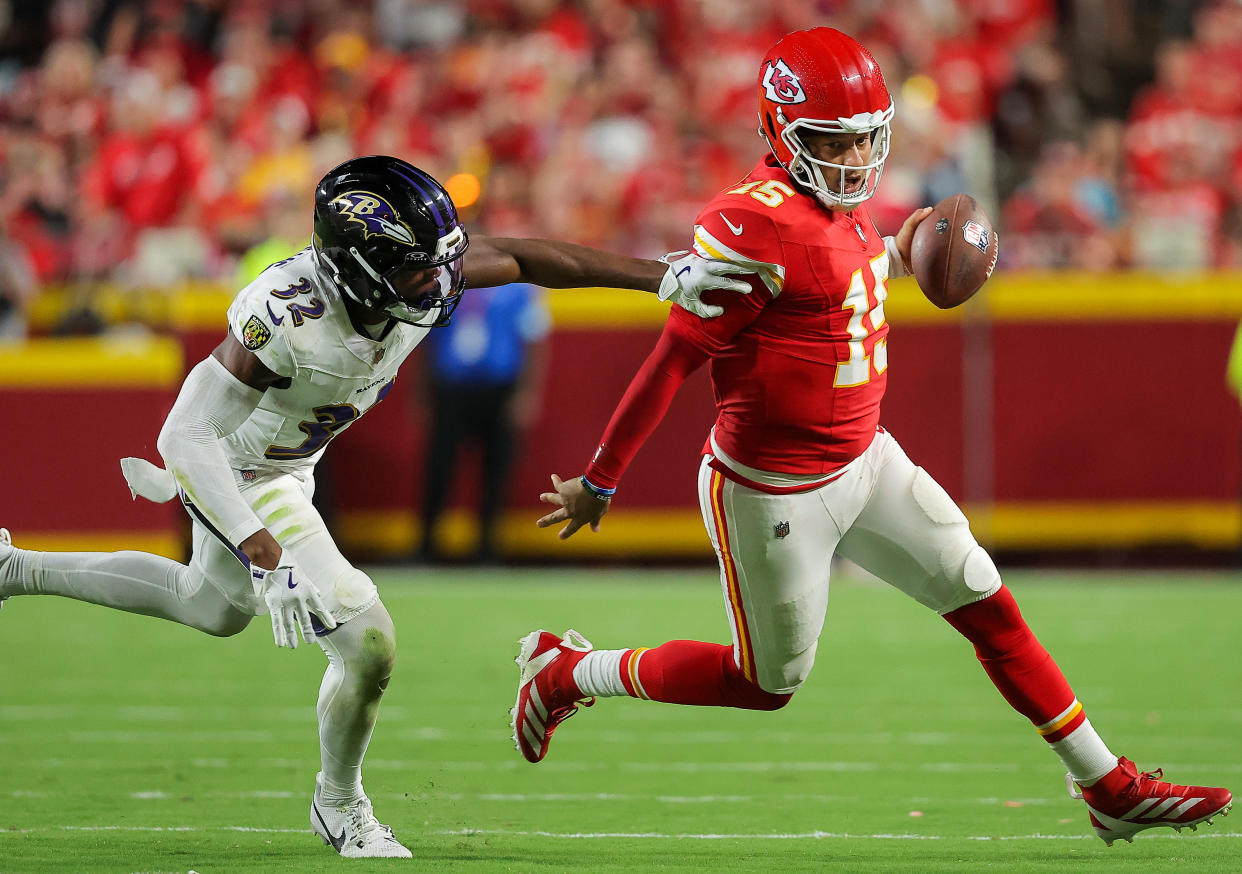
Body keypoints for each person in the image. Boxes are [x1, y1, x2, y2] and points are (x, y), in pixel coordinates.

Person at [513, 28, 1233, 847]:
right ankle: (568, 671)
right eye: (834, 139)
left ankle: (1107, 784)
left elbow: (842, 270)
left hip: (866, 458)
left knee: (986, 602)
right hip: (772, 488)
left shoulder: (841, 214)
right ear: (782, 132)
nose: (855, 155)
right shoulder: (754, 225)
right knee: (768, 683)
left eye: (865, 136)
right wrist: (601, 479)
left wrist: (911, 248)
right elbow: (671, 363)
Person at [0, 155, 750, 859]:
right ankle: (341, 803)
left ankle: (14, 568)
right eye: (420, 270)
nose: (440, 284)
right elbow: (185, 436)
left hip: (291, 469)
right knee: (367, 642)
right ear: (354, 271)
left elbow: (523, 258)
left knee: (210, 607)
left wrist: (660, 277)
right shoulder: (286, 315)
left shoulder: (418, 273)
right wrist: (260, 546)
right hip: (240, 471)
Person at [417, 280, 549, 564]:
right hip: (451, 386)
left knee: (495, 470)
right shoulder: (442, 284)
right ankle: (427, 545)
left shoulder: (518, 288)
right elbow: (424, 340)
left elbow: (534, 338)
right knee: (439, 469)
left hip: (499, 387)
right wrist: (421, 393)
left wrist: (527, 392)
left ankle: (487, 548)